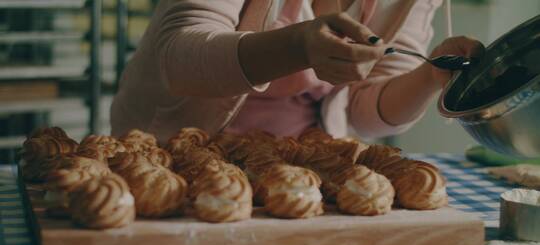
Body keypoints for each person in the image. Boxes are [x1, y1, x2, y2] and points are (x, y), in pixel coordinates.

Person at [110, 0, 484, 144]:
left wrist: (427, 77)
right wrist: (297, 47)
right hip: (170, 153)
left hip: (299, 172)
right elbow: (178, 60)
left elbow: (364, 114)